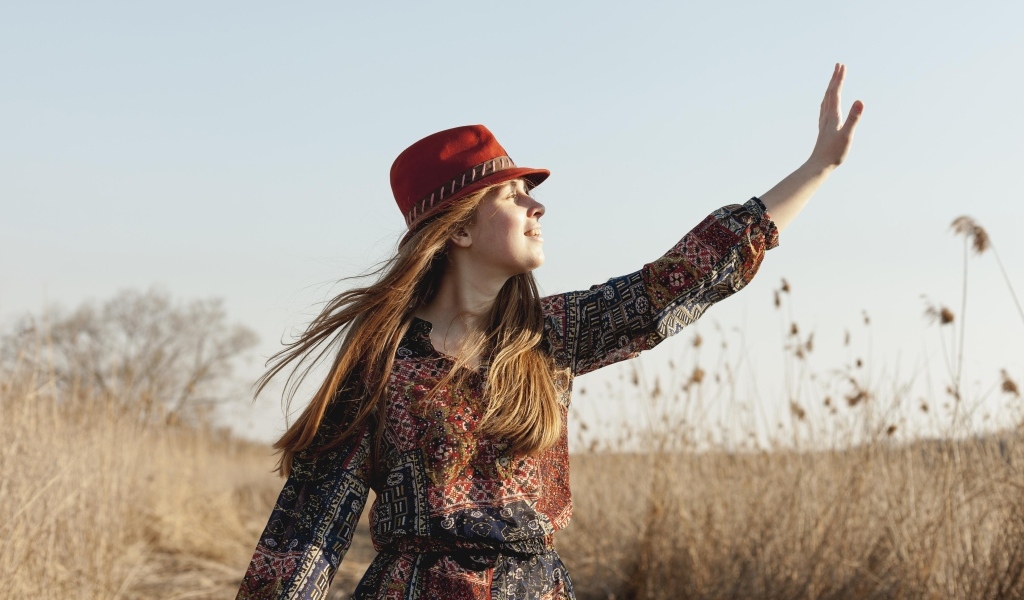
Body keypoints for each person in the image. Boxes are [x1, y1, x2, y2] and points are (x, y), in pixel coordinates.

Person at [237, 63, 864, 599]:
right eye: (513, 196)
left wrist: (818, 168)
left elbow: (686, 276)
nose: (537, 206)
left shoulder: (550, 336)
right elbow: (305, 535)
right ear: (459, 229)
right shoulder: (380, 363)